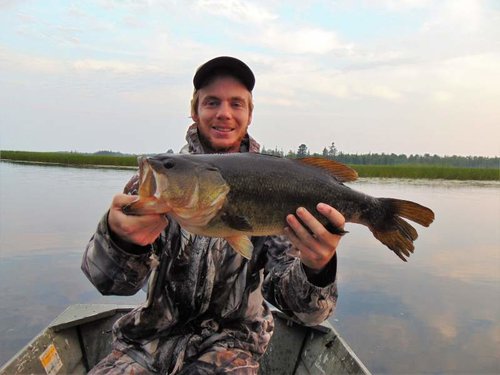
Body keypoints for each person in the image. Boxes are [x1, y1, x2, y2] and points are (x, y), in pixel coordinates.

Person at [82, 56, 345, 374]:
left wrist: (318, 269)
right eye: (212, 102)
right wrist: (122, 241)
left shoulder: (274, 185)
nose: (224, 113)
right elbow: (108, 283)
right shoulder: (159, 182)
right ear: (195, 111)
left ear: (249, 115)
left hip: (231, 351)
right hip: (145, 345)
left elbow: (305, 313)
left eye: (237, 103)